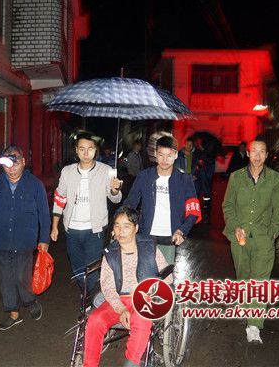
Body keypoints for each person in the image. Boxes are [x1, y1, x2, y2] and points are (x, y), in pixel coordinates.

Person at [83, 206, 171, 367]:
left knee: (142, 319)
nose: (120, 231)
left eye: (126, 226)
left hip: (144, 299)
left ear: (136, 228)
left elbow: (168, 276)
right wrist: (121, 308)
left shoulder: (150, 248)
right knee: (95, 320)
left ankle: (131, 363)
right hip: (119, 299)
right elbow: (107, 286)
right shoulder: (110, 253)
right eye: (117, 226)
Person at [0, 145, 51, 331]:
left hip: (25, 241)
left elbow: (44, 214)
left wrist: (44, 239)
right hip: (2, 240)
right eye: (6, 165)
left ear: (23, 162)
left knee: (21, 276)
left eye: (15, 164)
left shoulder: (35, 185)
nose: (11, 169)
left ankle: (30, 300)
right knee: (6, 279)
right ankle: (13, 314)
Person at [222, 138, 279, 344]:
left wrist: (273, 233)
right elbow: (228, 205)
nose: (257, 156)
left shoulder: (276, 180)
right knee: (243, 276)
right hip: (239, 237)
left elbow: (278, 211)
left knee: (259, 281)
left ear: (266, 155)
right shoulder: (236, 177)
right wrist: (234, 226)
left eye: (261, 152)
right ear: (248, 154)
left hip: (263, 239)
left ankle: (254, 325)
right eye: (254, 151)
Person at [50, 131, 123, 293]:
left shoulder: (106, 170)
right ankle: (87, 295)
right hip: (72, 229)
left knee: (92, 268)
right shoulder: (67, 171)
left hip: (94, 229)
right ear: (76, 150)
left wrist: (115, 189)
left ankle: (90, 299)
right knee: (77, 269)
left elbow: (116, 199)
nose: (86, 153)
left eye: (90, 149)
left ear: (95, 150)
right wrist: (55, 226)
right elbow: (60, 199)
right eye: (82, 149)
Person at [124, 135, 201, 264]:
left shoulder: (184, 180)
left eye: (169, 155)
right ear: (155, 154)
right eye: (161, 154)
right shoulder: (144, 176)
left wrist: (182, 231)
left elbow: (193, 211)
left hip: (171, 237)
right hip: (146, 235)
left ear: (176, 155)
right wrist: (121, 224)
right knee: (144, 272)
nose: (165, 159)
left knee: (165, 273)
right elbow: (130, 204)